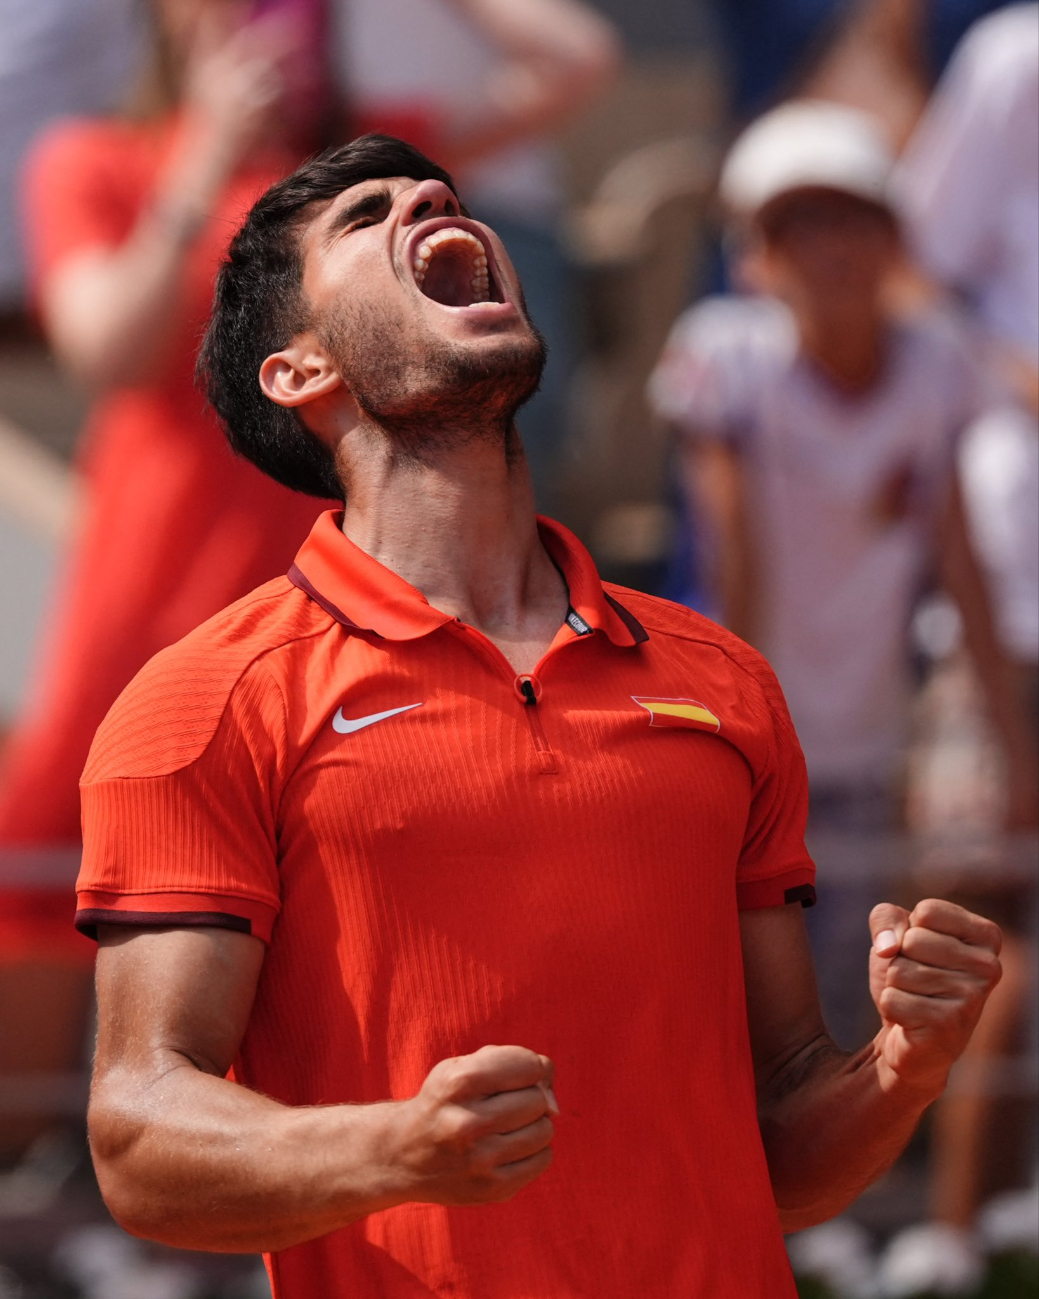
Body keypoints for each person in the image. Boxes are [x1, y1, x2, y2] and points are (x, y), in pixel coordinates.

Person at [74, 133, 1003, 1299]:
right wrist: (393, 1150)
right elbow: (138, 1140)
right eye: (367, 217)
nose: (426, 200)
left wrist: (905, 1065)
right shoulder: (202, 702)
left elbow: (777, 1168)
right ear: (300, 370)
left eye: (441, 196)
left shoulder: (726, 681)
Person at [0, 0, 335, 1160]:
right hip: (141, 600)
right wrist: (201, 152)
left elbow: (572, 65)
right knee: (43, 866)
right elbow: (109, 346)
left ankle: (239, 1209)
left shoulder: (337, 176)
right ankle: (34, 1194)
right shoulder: (93, 156)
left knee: (279, 899)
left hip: (306, 610)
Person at [648, 101, 1034, 1047]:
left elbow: (961, 564)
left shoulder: (938, 369)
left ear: (892, 240)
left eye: (849, 218)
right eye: (799, 224)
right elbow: (727, 546)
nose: (830, 247)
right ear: (758, 255)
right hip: (744, 731)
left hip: (866, 727)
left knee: (844, 980)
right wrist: (746, 730)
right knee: (743, 977)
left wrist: (1011, 743)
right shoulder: (726, 358)